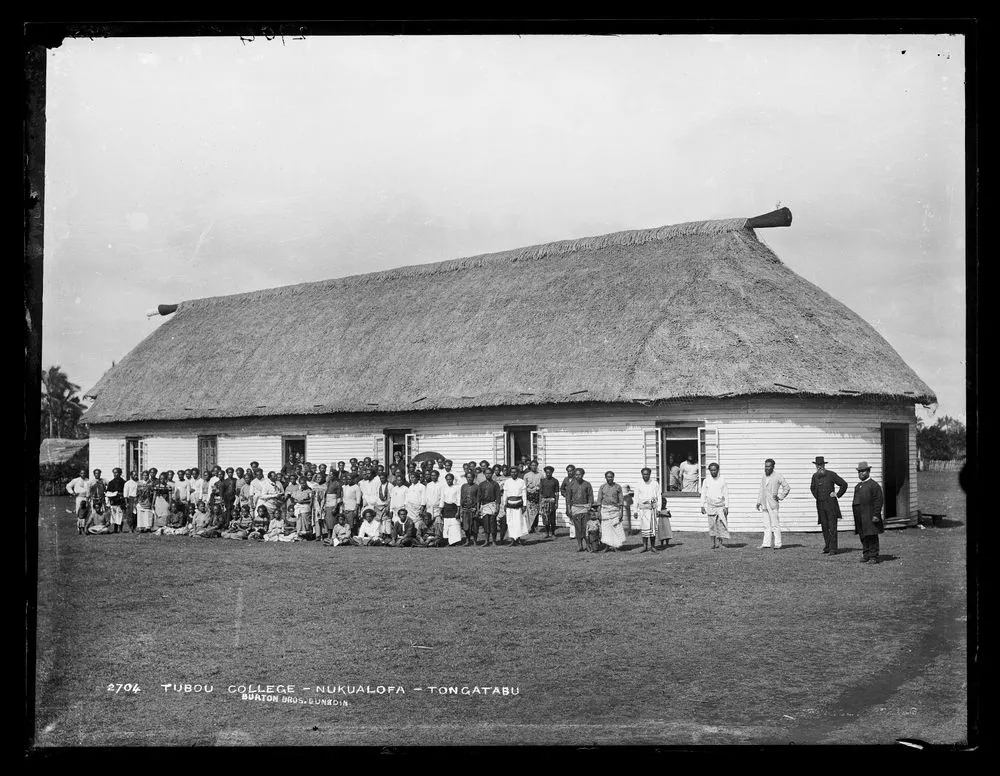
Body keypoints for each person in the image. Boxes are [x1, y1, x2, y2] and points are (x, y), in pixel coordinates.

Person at [810, 456, 848, 555]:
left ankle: (833, 549)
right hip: (820, 505)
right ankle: (827, 546)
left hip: (831, 505)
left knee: (832, 527)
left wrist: (837, 494)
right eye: (817, 465)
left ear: (824, 465)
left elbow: (844, 484)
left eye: (821, 465)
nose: (819, 467)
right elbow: (812, 488)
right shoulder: (815, 476)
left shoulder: (831, 474)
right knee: (824, 526)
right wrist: (818, 497)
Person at [852, 461, 885, 563]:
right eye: (859, 471)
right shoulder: (858, 486)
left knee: (871, 535)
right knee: (863, 536)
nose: (861, 473)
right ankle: (866, 554)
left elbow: (878, 500)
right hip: (860, 516)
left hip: (869, 515)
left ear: (868, 471)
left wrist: (876, 514)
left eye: (863, 471)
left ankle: (873, 556)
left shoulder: (874, 485)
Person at [756, 458, 791, 550]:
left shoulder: (778, 476)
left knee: (775, 524)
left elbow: (787, 487)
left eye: (768, 466)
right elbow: (761, 489)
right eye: (765, 466)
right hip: (764, 503)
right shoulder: (764, 476)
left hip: (773, 504)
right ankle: (766, 543)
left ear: (773, 467)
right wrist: (759, 501)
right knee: (766, 525)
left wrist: (780, 496)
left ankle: (778, 543)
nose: (766, 468)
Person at [596, 471, 627, 552]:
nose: (609, 478)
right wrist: (599, 512)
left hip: (615, 509)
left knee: (616, 528)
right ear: (605, 477)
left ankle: (616, 546)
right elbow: (599, 500)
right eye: (608, 477)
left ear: (613, 477)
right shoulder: (602, 487)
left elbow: (621, 500)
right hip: (605, 510)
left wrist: (621, 512)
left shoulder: (618, 487)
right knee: (606, 529)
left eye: (611, 477)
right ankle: (607, 546)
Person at [565, 468, 595, 553]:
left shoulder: (587, 484)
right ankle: (580, 545)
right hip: (575, 508)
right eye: (576, 475)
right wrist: (568, 509)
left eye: (579, 474)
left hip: (585, 508)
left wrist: (590, 505)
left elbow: (590, 496)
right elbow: (568, 498)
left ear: (583, 475)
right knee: (578, 528)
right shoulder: (571, 485)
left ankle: (588, 545)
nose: (578, 476)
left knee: (585, 528)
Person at [700, 462, 729, 549]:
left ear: (718, 470)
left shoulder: (722, 480)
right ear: (709, 471)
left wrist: (726, 506)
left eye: (715, 470)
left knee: (721, 524)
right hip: (711, 505)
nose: (713, 472)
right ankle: (713, 543)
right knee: (712, 525)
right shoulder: (706, 481)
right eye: (711, 470)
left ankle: (720, 543)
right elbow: (703, 493)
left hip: (720, 505)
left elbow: (726, 494)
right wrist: (702, 505)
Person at [634, 467, 661, 553]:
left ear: (650, 474)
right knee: (644, 528)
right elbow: (636, 497)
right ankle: (644, 546)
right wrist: (635, 510)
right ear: (642, 474)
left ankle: (653, 546)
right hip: (643, 510)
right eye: (644, 474)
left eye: (647, 474)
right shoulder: (638, 484)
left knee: (652, 529)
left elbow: (659, 496)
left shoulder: (654, 483)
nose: (645, 476)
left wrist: (659, 509)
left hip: (652, 509)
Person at [502, 467, 529, 546]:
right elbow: (505, 494)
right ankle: (512, 540)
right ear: (510, 473)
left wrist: (524, 505)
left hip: (519, 505)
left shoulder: (521, 481)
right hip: (509, 505)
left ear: (518, 473)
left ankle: (518, 540)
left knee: (518, 522)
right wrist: (504, 504)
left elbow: (524, 494)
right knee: (510, 523)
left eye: (515, 472)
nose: (513, 473)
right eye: (512, 472)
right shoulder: (507, 482)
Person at [477, 467, 502, 546]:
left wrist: (497, 507)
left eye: (490, 473)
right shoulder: (481, 484)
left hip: (492, 505)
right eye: (486, 473)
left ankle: (494, 541)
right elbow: (479, 497)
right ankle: (486, 541)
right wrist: (478, 508)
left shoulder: (495, 484)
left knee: (493, 523)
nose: (488, 475)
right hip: (484, 506)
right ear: (484, 474)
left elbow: (498, 496)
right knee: (486, 524)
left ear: (492, 474)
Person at [440, 472, 464, 546]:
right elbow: (442, 499)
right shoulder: (444, 488)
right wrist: (440, 510)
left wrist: (458, 511)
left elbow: (458, 499)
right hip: (446, 508)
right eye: (447, 479)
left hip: (454, 508)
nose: (449, 481)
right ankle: (448, 541)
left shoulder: (457, 488)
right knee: (447, 524)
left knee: (455, 524)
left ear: (453, 480)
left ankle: (456, 541)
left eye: (450, 479)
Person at [539, 465, 560, 538]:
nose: (548, 474)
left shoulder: (555, 481)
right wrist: (540, 502)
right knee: (545, 518)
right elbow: (541, 493)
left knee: (552, 518)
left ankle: (553, 533)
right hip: (544, 501)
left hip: (552, 501)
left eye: (549, 473)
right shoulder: (543, 481)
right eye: (547, 473)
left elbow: (557, 493)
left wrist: (556, 503)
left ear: (552, 473)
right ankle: (547, 532)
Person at [460, 471, 480, 546]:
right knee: (466, 527)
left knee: (474, 526)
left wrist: (477, 509)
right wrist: (461, 508)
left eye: (470, 477)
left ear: (473, 478)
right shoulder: (463, 486)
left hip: (473, 509)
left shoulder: (476, 486)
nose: (469, 479)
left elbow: (478, 499)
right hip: (465, 509)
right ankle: (468, 540)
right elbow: (461, 498)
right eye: (468, 477)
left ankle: (475, 541)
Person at [524, 460, 542, 533]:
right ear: (530, 466)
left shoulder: (541, 475)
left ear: (537, 466)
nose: (534, 467)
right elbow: (524, 487)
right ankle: (529, 527)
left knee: (536, 512)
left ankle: (535, 527)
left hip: (537, 495)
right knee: (529, 512)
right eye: (532, 465)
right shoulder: (526, 475)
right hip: (529, 495)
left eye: (535, 465)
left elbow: (542, 486)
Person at [106, 468, 126, 533]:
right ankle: (115, 529)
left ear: (120, 473)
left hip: (121, 501)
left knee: (120, 515)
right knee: (114, 515)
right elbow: (108, 492)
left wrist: (121, 495)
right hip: (113, 501)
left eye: (117, 472)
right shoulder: (111, 482)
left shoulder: (123, 482)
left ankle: (120, 529)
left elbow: (125, 492)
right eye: (114, 473)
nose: (116, 474)